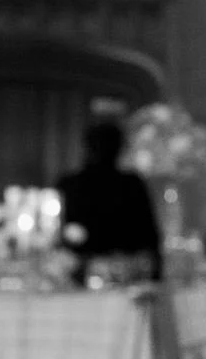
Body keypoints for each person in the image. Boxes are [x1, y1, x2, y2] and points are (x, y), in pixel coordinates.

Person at [57, 120, 162, 283]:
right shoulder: (70, 185)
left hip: (126, 276)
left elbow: (150, 239)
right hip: (81, 275)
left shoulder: (132, 184)